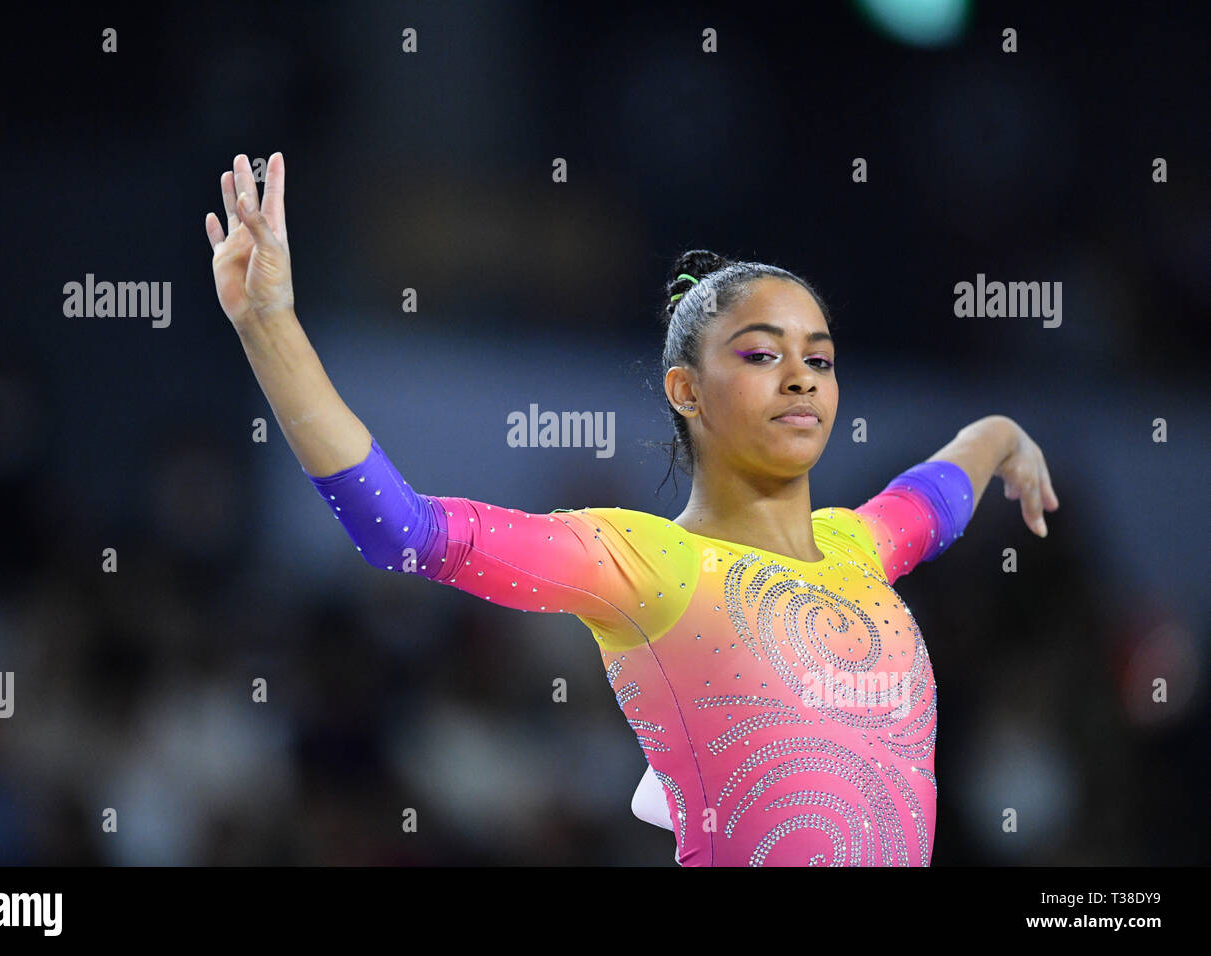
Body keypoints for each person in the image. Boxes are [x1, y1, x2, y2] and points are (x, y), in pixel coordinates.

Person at [205, 152, 1059, 866]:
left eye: (821, 359)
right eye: (762, 354)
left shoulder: (859, 547)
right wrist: (268, 326)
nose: (801, 376)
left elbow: (941, 490)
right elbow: (407, 531)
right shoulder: (647, 565)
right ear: (685, 389)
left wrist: (1003, 435)